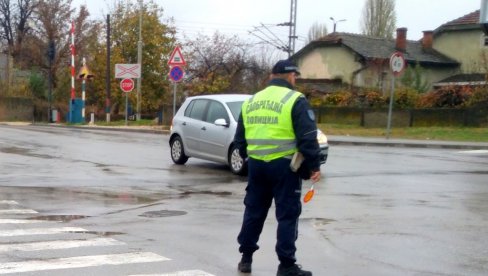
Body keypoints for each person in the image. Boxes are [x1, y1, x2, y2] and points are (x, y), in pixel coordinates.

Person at [234, 59, 321, 276]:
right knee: (287, 215)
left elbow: (239, 140)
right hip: (285, 167)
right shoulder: (295, 100)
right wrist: (314, 166)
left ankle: (246, 259)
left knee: (254, 211)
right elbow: (308, 137)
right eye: (295, 77)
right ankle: (286, 265)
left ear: (272, 76)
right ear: (291, 76)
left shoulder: (252, 101)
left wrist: (251, 158)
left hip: (256, 167)